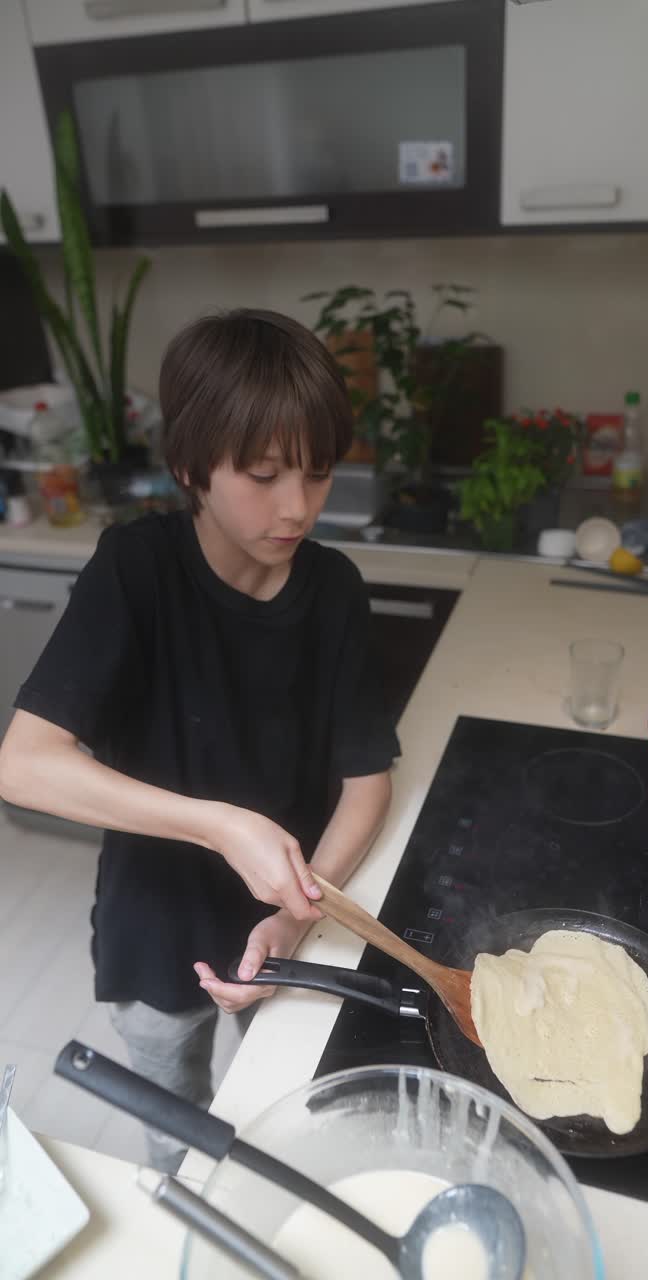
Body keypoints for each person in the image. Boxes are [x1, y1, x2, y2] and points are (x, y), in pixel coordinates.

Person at [0, 309, 399, 1170]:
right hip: (157, 931)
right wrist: (221, 824)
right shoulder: (134, 571)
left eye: (319, 473)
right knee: (181, 1128)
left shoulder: (335, 591)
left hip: (290, 924)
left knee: (283, 1111)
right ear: (190, 467)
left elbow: (367, 783)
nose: (297, 507)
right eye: (263, 475)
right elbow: (24, 764)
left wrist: (294, 919)